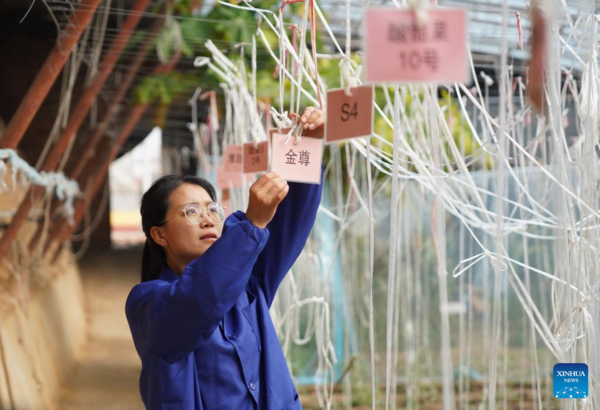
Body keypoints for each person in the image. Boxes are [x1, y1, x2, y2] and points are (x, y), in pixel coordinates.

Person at [125, 107, 325, 409]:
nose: (207, 219)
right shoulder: (148, 304)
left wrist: (309, 144)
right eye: (191, 211)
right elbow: (196, 299)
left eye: (212, 209)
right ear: (159, 235)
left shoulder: (249, 282)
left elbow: (289, 221)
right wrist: (250, 225)